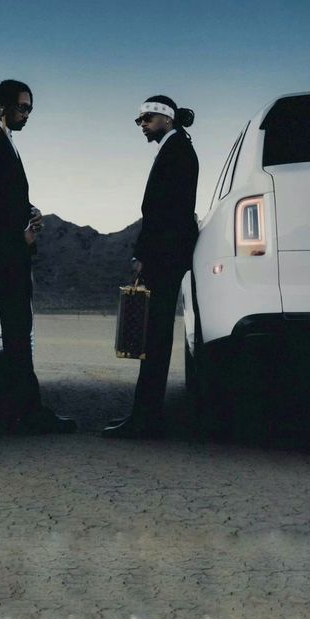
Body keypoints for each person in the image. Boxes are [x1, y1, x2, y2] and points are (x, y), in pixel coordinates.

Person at [0, 79, 77, 435]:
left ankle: (15, 409)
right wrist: (18, 233)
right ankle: (27, 413)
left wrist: (30, 212)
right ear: (2, 106)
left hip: (11, 249)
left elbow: (5, 194)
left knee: (17, 331)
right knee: (16, 331)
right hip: (2, 251)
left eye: (30, 109)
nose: (27, 115)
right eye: (22, 108)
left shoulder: (1, 140)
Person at [102, 94, 199, 438]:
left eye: (147, 119)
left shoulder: (178, 152)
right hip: (166, 255)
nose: (141, 125)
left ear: (167, 119)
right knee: (154, 335)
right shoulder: (176, 150)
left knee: (154, 336)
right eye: (140, 119)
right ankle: (146, 416)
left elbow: (165, 213)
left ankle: (146, 420)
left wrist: (146, 255)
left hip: (164, 257)